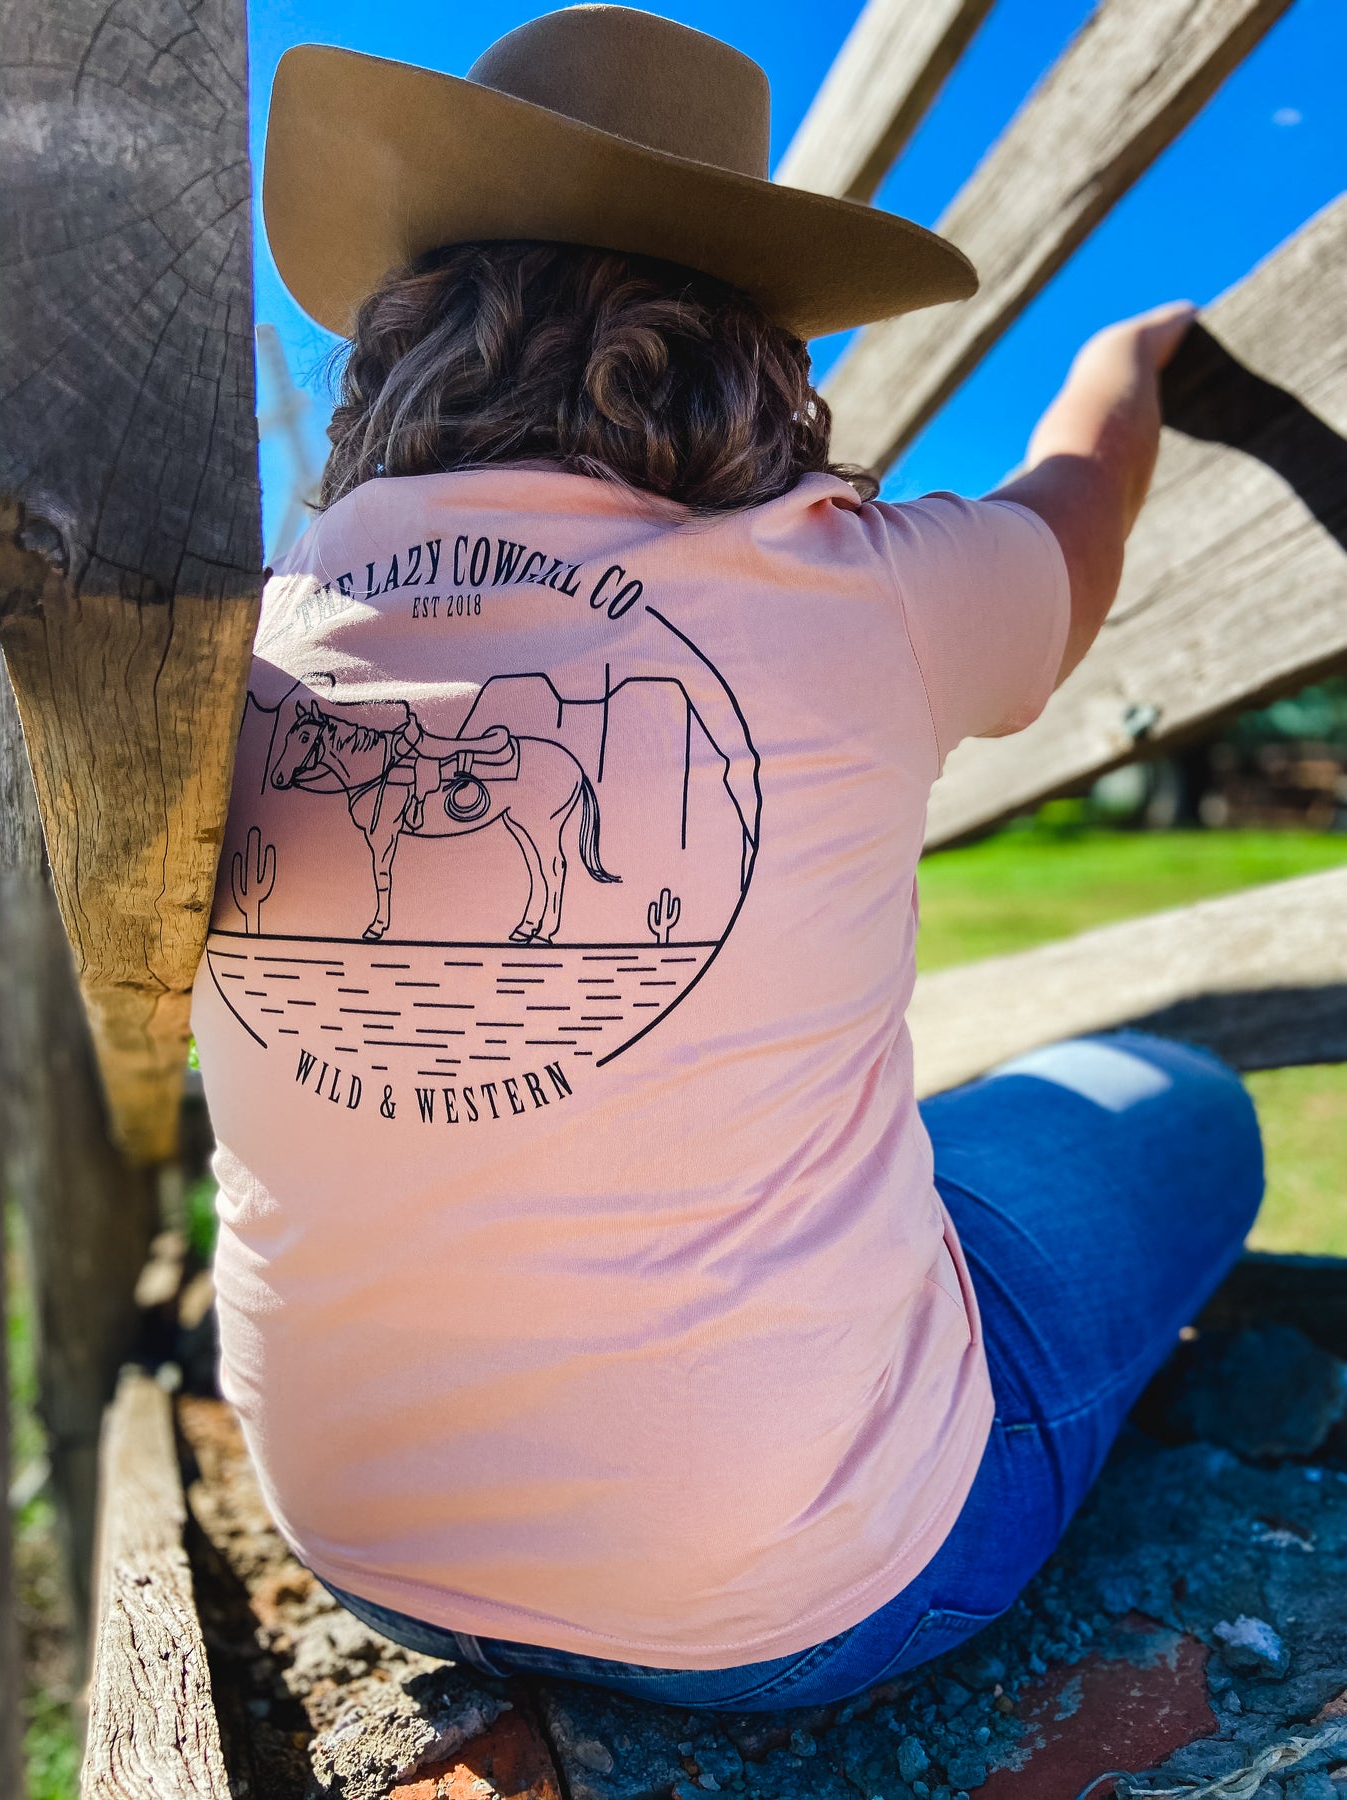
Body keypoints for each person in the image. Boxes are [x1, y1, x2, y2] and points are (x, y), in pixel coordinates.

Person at [192, 5, 1264, 1711]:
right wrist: (1117, 370)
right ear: (749, 344)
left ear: (405, 335)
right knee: (1182, 1100)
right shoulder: (863, 585)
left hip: (364, 1539)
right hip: (795, 1603)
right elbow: (1076, 508)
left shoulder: (258, 631)